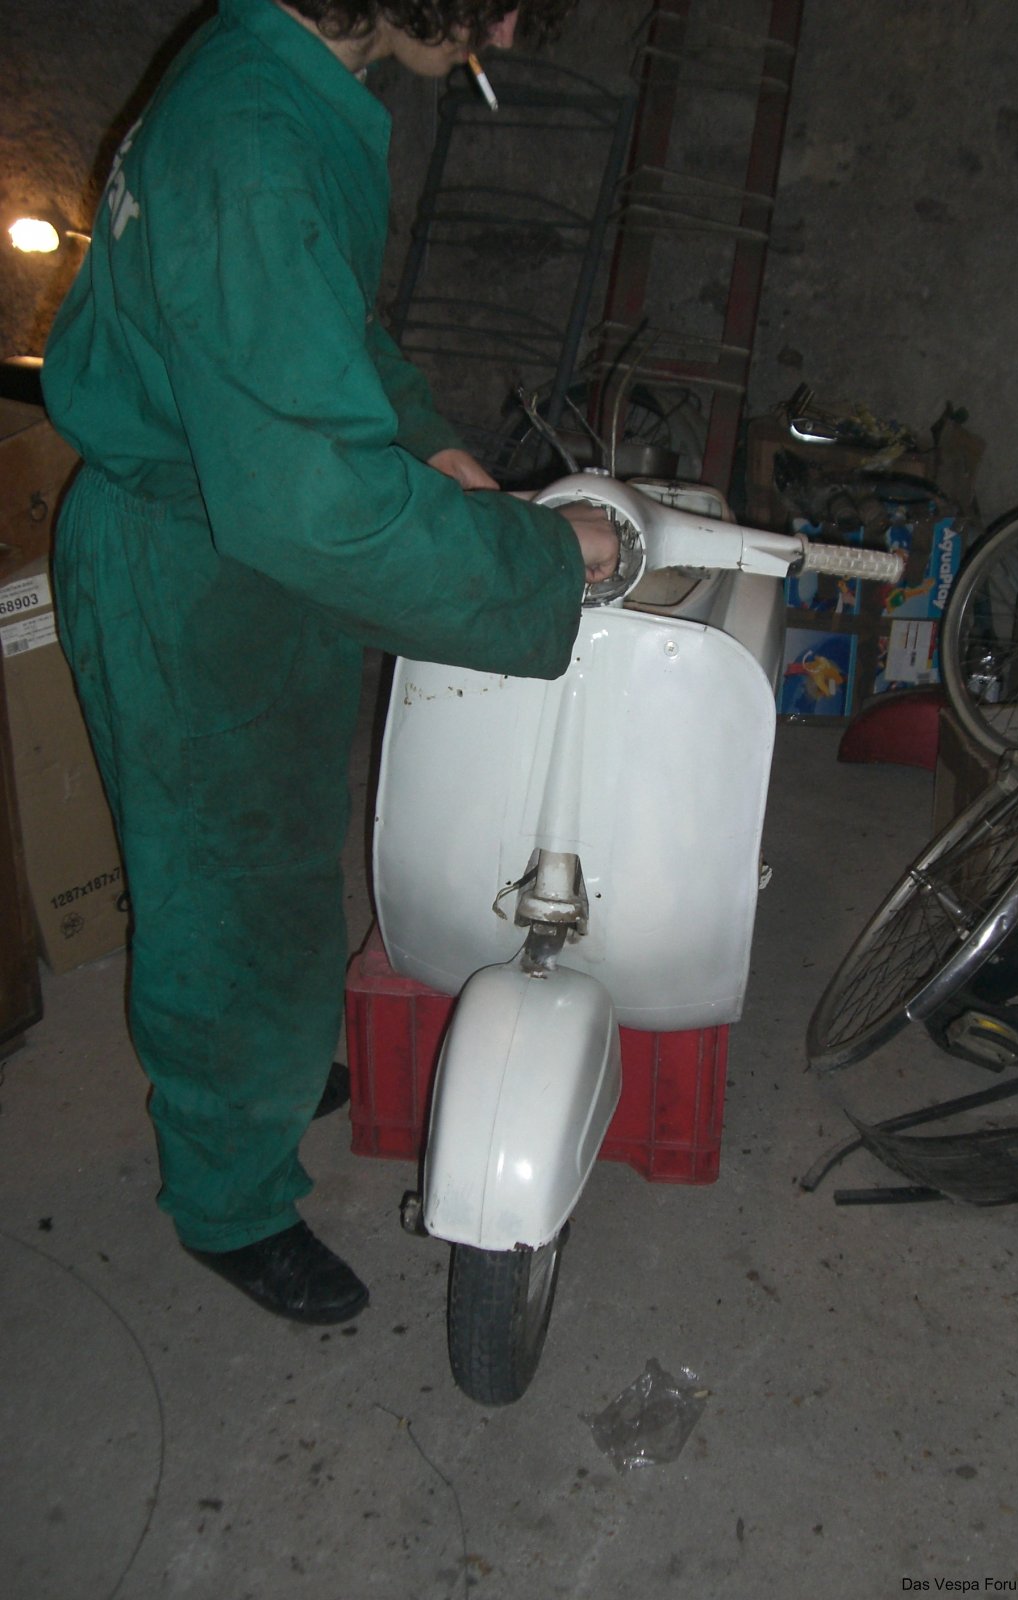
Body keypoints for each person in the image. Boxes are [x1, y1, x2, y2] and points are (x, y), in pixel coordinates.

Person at [40, 0, 618, 1326]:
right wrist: (541, 560)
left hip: (238, 533)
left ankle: (277, 1064)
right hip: (195, 555)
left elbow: (316, 326)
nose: (507, 31)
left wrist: (425, 442)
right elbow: (318, 512)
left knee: (285, 849)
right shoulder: (255, 137)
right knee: (220, 896)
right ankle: (229, 1197)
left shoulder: (283, 57)